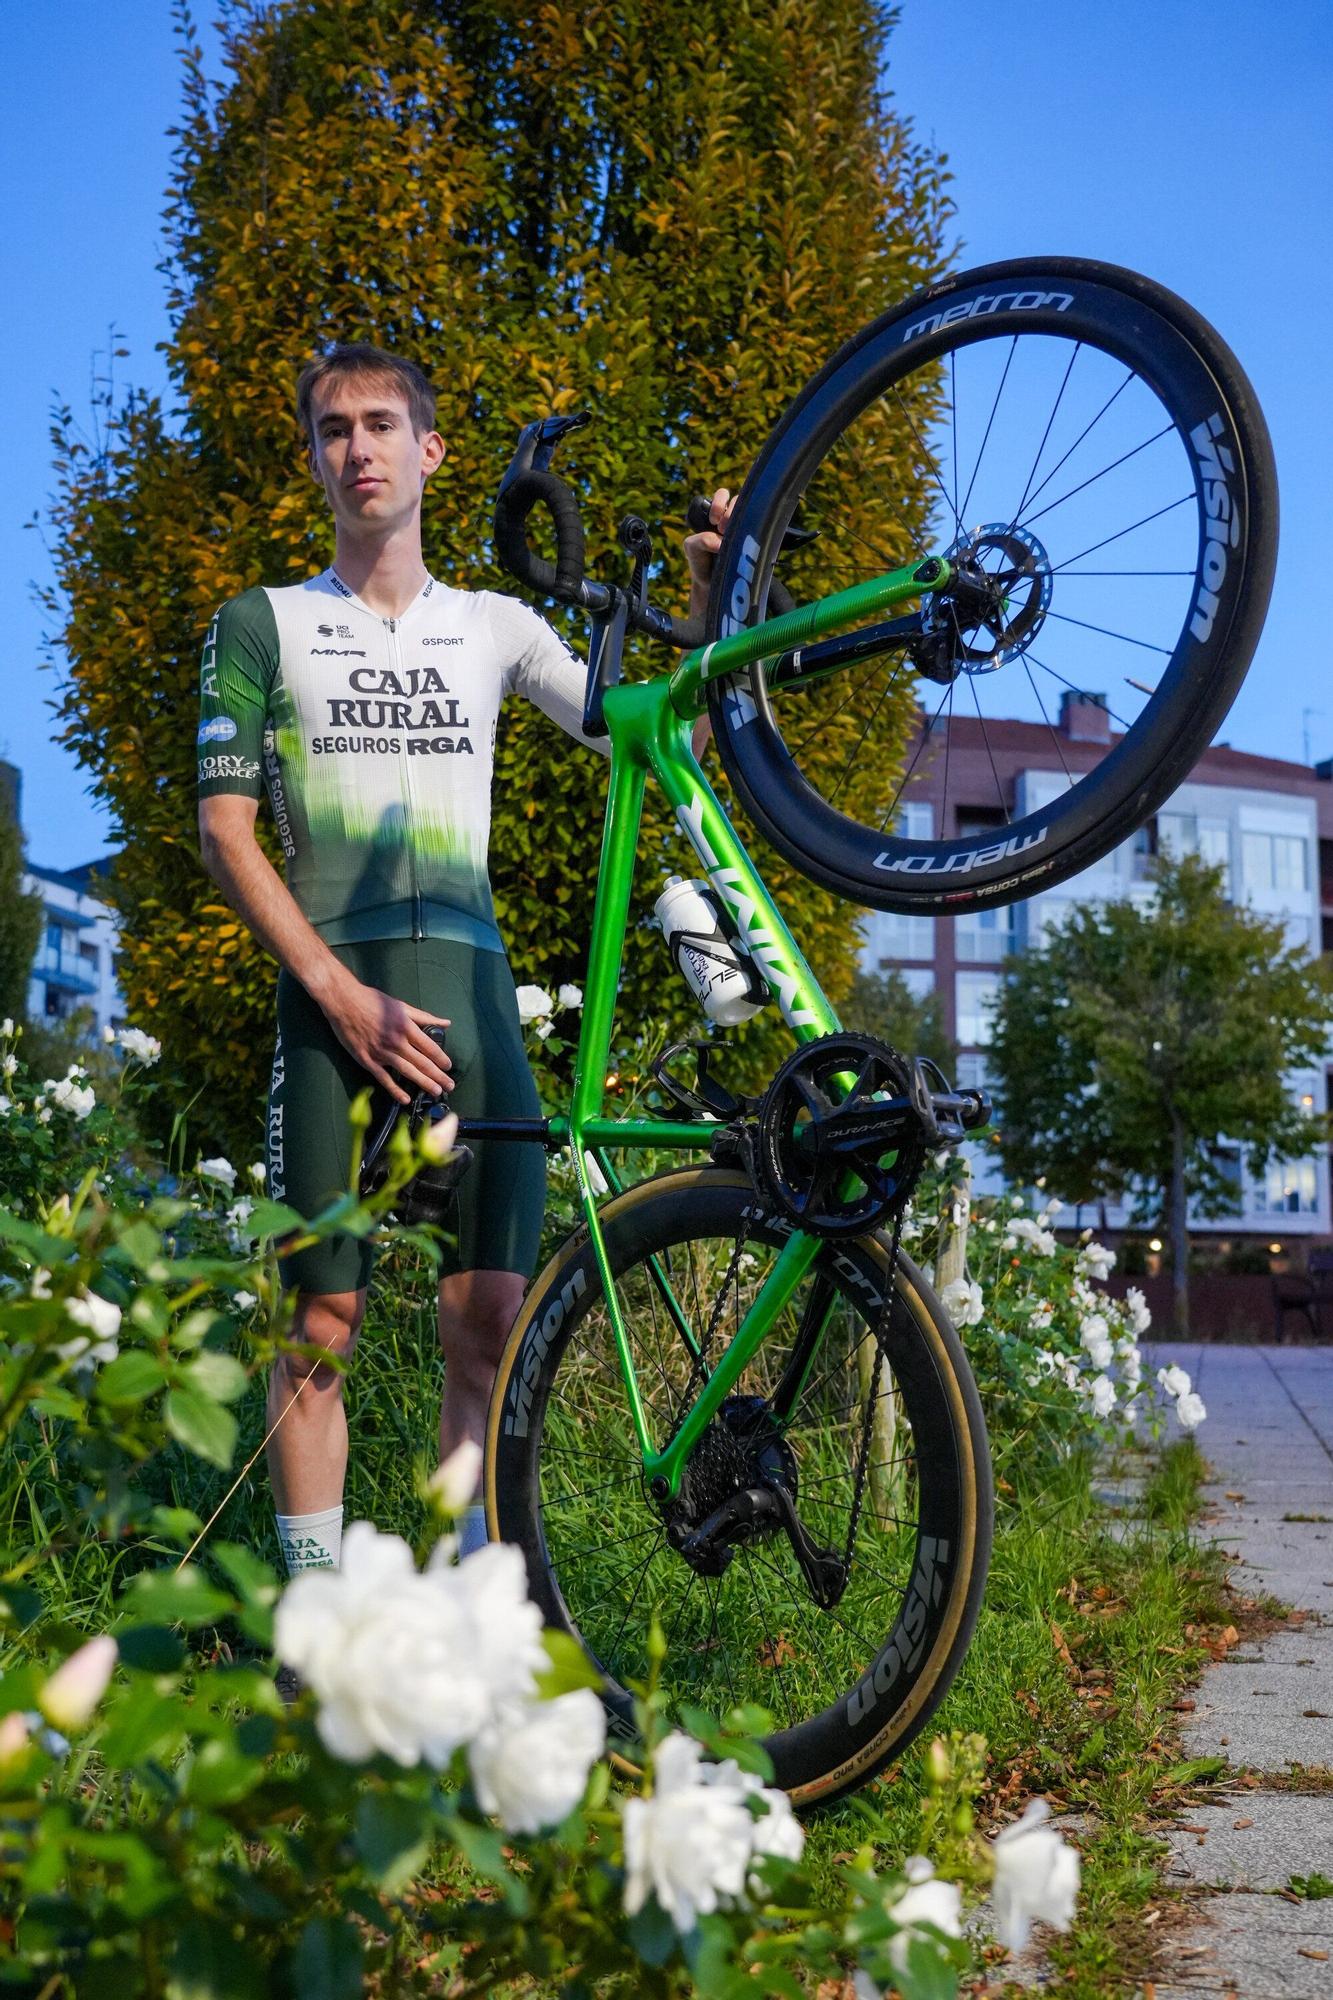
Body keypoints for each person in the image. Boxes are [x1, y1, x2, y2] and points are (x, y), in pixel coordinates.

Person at [197, 341, 728, 1572]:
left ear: (430, 451)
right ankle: (316, 1621)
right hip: (335, 1004)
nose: (359, 448)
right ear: (312, 457)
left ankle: (451, 1600)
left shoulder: (494, 626)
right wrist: (339, 996)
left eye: (382, 424)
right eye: (333, 430)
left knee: (487, 1320)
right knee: (317, 1324)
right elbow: (225, 833)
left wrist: (711, 607)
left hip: (473, 999)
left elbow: (649, 734)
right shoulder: (262, 624)